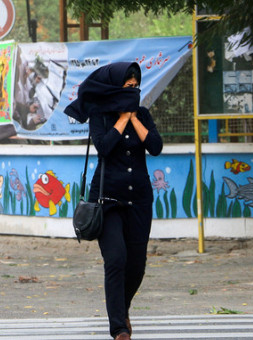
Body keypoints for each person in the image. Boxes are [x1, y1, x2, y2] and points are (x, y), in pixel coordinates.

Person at [64, 62, 163, 340]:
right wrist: (121, 118)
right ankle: (119, 327)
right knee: (116, 259)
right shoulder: (100, 116)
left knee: (137, 265)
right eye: (127, 87)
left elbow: (155, 147)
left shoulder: (142, 114)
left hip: (139, 200)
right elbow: (104, 147)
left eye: (135, 87)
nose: (132, 92)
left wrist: (133, 118)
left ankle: (123, 307)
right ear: (115, 89)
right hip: (107, 199)